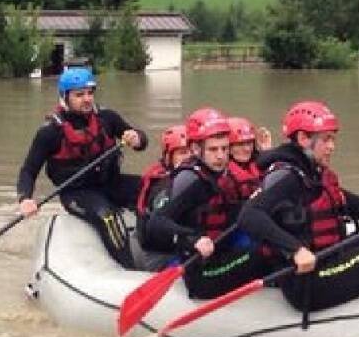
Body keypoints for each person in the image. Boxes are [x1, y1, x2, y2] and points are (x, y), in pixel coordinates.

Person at [239, 100, 359, 313]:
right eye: (326, 139)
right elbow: (249, 216)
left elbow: (357, 205)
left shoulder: (314, 173)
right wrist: (295, 250)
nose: (332, 146)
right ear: (303, 139)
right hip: (309, 281)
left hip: (329, 257)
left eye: (332, 139)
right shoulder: (286, 176)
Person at [17, 66, 147, 267]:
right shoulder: (50, 132)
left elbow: (141, 141)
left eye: (89, 93)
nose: (87, 99)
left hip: (111, 183)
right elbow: (28, 170)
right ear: (65, 97)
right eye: (79, 95)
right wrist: (25, 198)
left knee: (154, 190)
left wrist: (137, 138)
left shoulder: (107, 118)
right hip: (77, 193)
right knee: (107, 217)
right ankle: (130, 269)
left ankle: (160, 247)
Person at [148, 108, 268, 299]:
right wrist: (193, 239)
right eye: (213, 149)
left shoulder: (223, 172)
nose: (221, 156)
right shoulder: (189, 180)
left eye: (225, 148)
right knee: (267, 255)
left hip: (223, 251)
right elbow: (156, 222)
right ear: (196, 149)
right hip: (202, 272)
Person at [134, 124, 192, 254]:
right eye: (182, 152)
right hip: (158, 253)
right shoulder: (162, 186)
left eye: (192, 151)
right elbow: (160, 226)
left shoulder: (190, 177)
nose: (189, 157)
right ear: (168, 157)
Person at [222, 116, 272, 201]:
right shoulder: (222, 176)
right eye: (240, 144)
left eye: (249, 143)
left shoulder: (261, 165)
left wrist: (267, 154)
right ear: (227, 147)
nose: (247, 149)